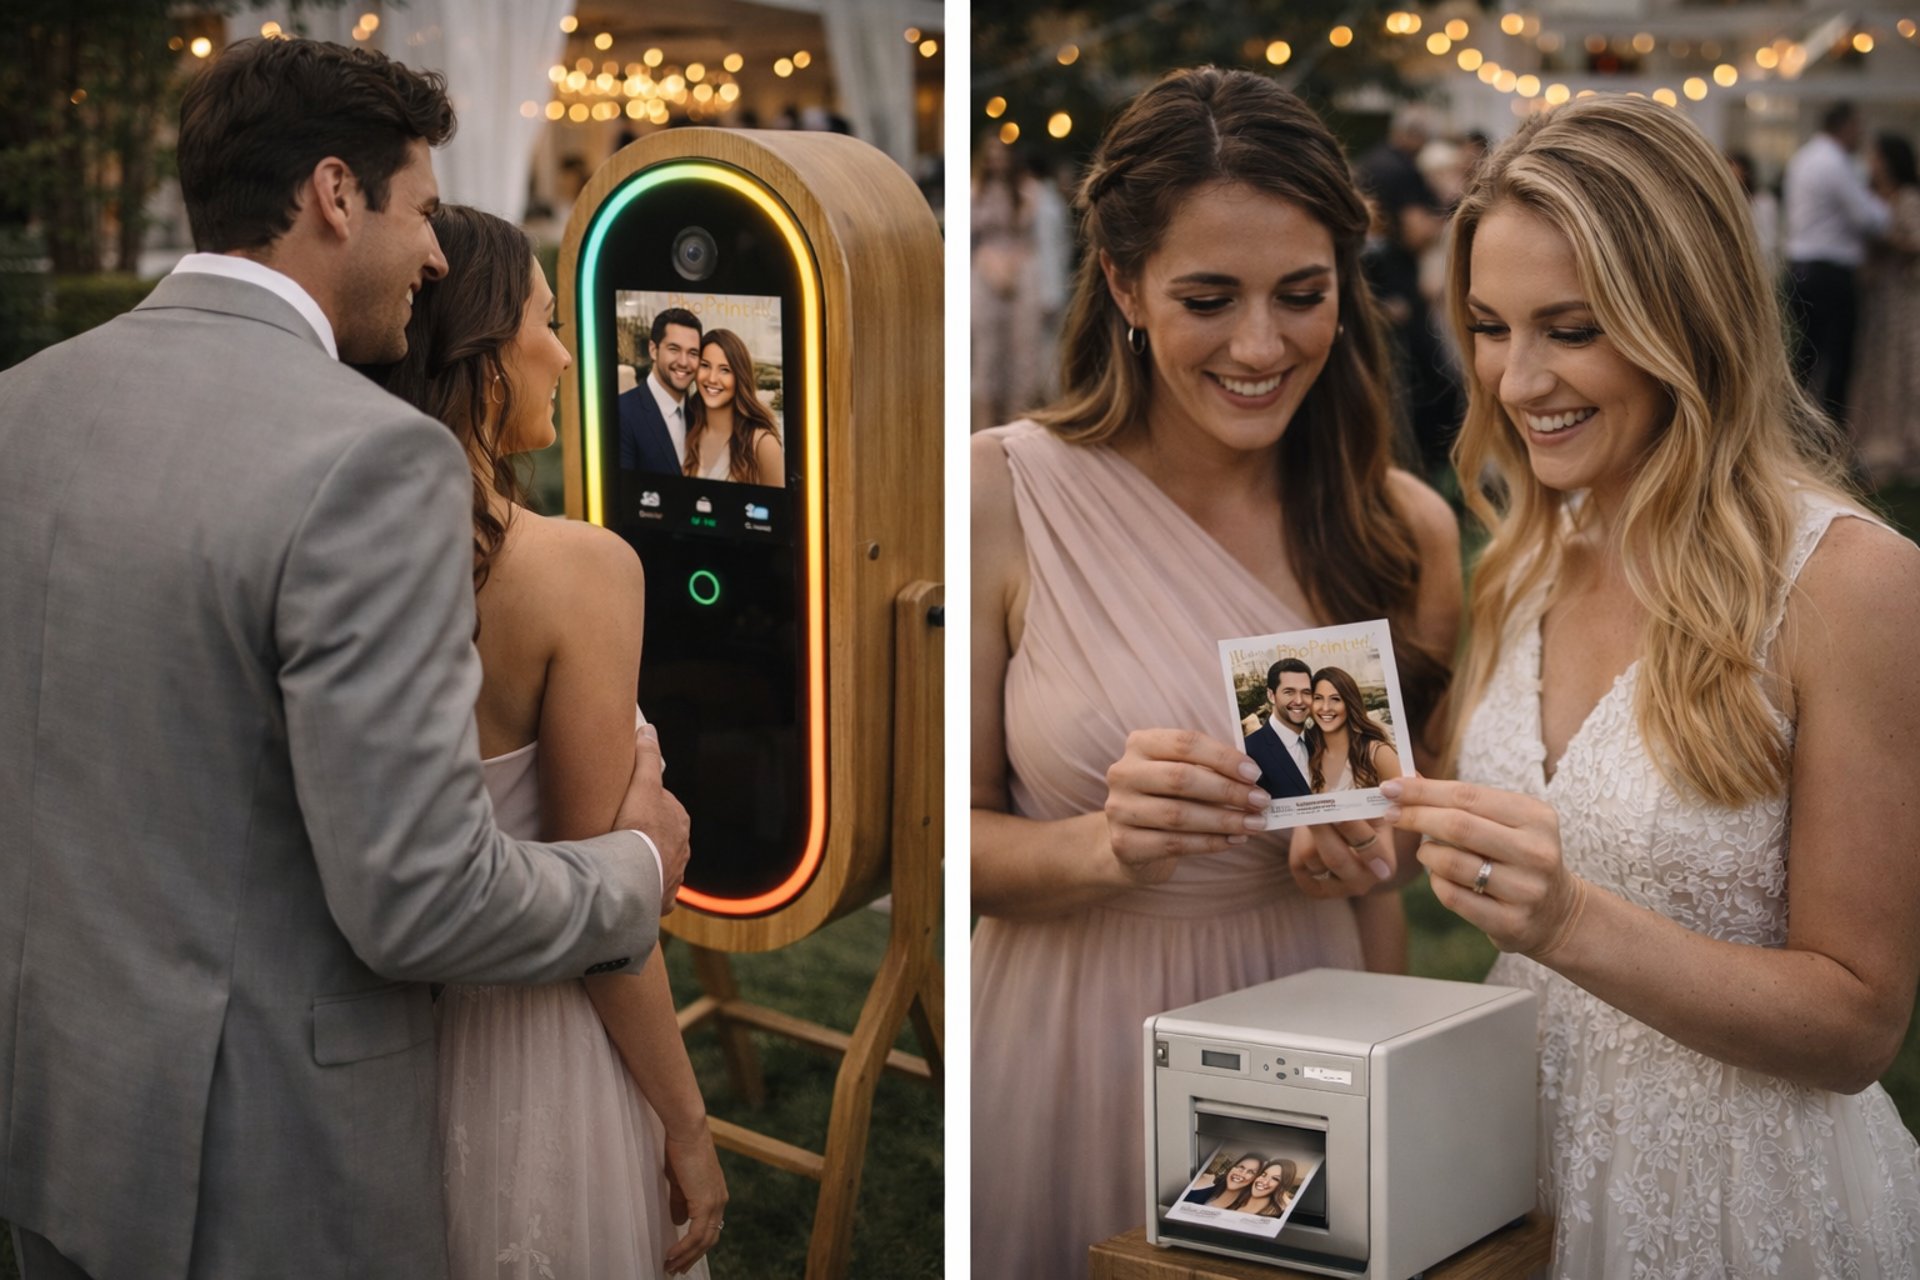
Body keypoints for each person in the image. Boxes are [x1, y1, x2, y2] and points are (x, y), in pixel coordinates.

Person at [0, 37, 687, 1279]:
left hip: (53, 1109)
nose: (435, 250)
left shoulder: (27, 400)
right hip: (262, 1161)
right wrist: (633, 871)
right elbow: (419, 898)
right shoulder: (371, 458)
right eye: (421, 208)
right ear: (333, 193)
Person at [1400, 93, 1920, 1277]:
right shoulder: (1526, 554)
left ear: (1686, 316)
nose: (1517, 380)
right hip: (1514, 1167)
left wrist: (1570, 919)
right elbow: (1498, 814)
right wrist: (1365, 823)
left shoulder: (1851, 584)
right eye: (1489, 325)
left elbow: (1857, 1023)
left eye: (1571, 328)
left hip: (1743, 1199)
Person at [970, 67, 1461, 1280]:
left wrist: (1376, 846)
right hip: (1071, 1026)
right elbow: (937, 841)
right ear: (1127, 285)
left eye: (1302, 295)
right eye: (1208, 297)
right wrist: (1099, 843)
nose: (1260, 344)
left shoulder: (1404, 530)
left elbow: (1400, 865)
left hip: (1312, 1015)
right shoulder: (1000, 493)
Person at [376, 206, 724, 1278]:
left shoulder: (352, 557)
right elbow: (602, 914)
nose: (567, 352)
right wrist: (688, 1122)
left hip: (387, 1048)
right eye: (541, 318)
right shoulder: (579, 569)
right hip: (543, 1051)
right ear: (484, 363)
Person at [1783, 101, 1890, 430]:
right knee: (1836, 359)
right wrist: (1888, 204)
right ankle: (1829, 432)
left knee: (1805, 357)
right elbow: (1869, 218)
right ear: (1844, 126)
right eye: (1857, 127)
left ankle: (1796, 428)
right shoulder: (1833, 162)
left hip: (1801, 266)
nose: (1860, 135)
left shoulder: (1805, 158)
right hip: (1829, 272)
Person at [1848, 132, 1920, 486]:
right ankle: (1872, 440)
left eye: (1875, 157)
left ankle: (1901, 445)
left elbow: (1914, 243)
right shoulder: (1871, 197)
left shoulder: (1907, 198)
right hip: (1876, 296)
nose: (1871, 164)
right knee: (1874, 365)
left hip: (1901, 297)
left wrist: (1886, 239)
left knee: (1901, 365)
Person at [970, 139, 1048, 432]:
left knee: (1023, 351)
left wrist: (1013, 266)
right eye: (991, 155)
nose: (997, 161)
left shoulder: (1028, 191)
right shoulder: (976, 191)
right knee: (987, 353)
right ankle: (985, 430)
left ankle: (1017, 428)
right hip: (984, 269)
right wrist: (991, 264)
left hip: (1022, 270)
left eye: (1001, 155)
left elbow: (1036, 239)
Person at [682, 328, 784, 485]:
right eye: (705, 365)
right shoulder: (684, 428)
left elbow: (779, 508)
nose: (712, 378)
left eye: (725, 370)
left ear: (740, 377)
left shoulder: (763, 445)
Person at [618, 306, 702, 474]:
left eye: (693, 353)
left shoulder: (699, 414)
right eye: (674, 349)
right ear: (653, 350)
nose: (684, 362)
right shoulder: (622, 412)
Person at [1304, 666, 1402, 792]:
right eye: (1318, 698)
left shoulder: (1377, 753)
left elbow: (1408, 802)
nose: (1326, 707)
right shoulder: (1305, 752)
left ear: (1349, 704)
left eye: (1336, 699)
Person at [1243, 658, 1315, 798]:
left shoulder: (1322, 741)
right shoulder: (1250, 750)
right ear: (1271, 695)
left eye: (1306, 692)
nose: (1299, 701)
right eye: (1289, 692)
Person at [1182, 1154, 1262, 1206]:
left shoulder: (1244, 1206)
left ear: (1255, 1179)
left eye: (1251, 1172)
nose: (1241, 1173)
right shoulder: (1208, 1185)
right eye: (1240, 1167)